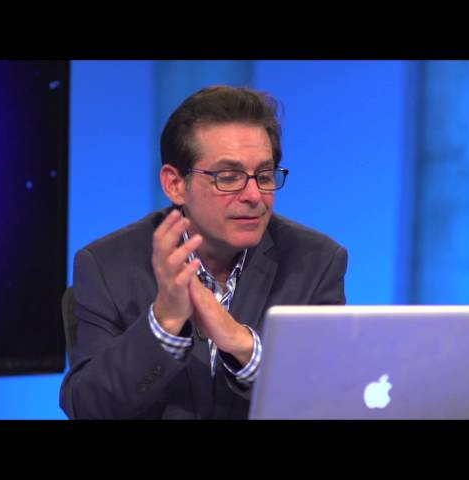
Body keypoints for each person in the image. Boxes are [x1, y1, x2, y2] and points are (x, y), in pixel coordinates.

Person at [60, 85, 348, 419]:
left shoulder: (315, 262)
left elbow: (332, 397)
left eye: (264, 175)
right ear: (175, 184)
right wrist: (164, 323)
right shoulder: (108, 266)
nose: (254, 195)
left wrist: (243, 345)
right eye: (229, 177)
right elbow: (87, 407)